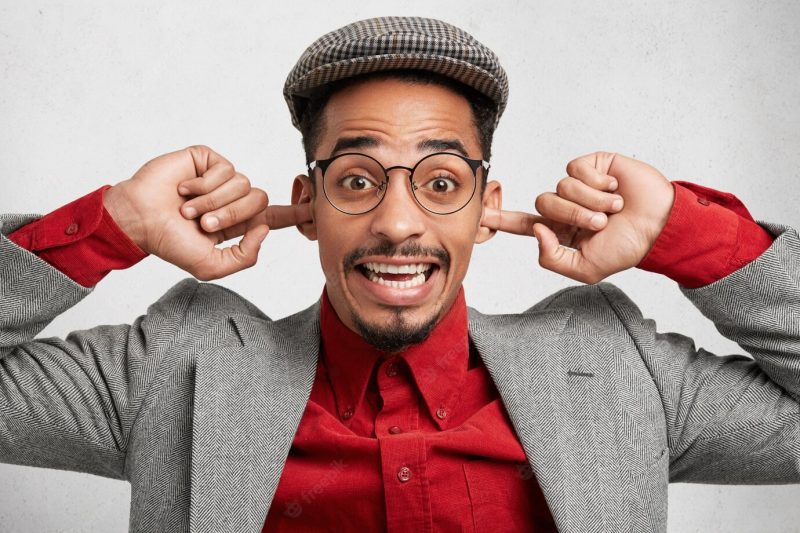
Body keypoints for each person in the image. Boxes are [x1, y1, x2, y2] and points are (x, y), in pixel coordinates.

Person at [1, 15, 797, 533]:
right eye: (356, 178)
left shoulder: (618, 367)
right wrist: (117, 223)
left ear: (488, 208)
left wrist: (682, 233)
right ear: (306, 205)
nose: (397, 221)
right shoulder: (176, 365)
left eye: (442, 182)